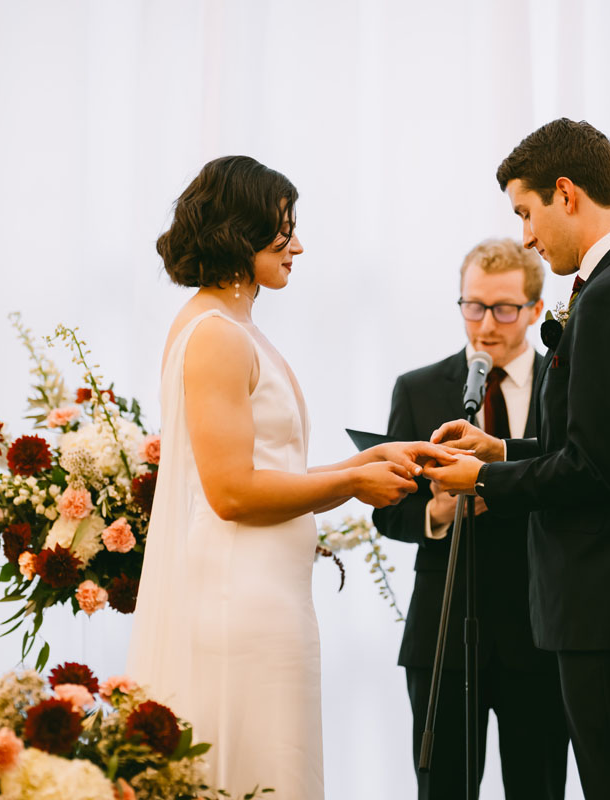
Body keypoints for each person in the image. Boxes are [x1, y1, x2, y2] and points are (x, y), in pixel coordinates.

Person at [127, 156, 458, 799]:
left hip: (267, 590)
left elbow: (268, 473)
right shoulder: (217, 335)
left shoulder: (237, 326)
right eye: (285, 229)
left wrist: (372, 460)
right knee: (257, 770)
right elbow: (230, 492)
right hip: (237, 597)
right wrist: (351, 487)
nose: (298, 245)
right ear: (238, 230)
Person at [425, 119, 610, 800]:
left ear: (567, 193)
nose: (525, 234)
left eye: (526, 211)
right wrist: (503, 448)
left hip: (608, 604)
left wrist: (484, 478)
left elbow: (594, 470)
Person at [372, 238, 569, 799]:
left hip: (541, 627)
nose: (486, 324)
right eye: (473, 305)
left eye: (504, 308)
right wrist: (436, 512)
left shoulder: (568, 382)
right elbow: (389, 514)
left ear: (534, 310)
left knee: (540, 787)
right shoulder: (418, 389)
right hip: (444, 631)